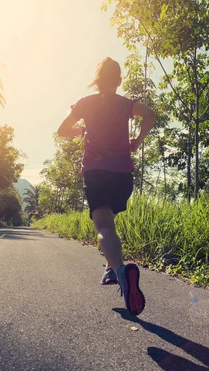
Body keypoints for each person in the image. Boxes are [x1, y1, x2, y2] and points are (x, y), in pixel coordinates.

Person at [57, 57, 156, 316]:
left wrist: (83, 131)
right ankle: (111, 268)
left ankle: (121, 271)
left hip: (96, 171)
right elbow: (150, 115)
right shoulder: (126, 104)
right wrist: (137, 140)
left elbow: (62, 130)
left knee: (103, 226)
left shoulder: (85, 103)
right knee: (109, 221)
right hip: (122, 173)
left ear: (97, 80)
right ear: (120, 81)